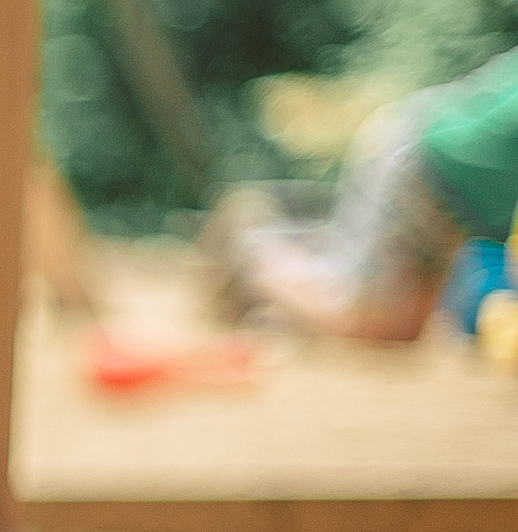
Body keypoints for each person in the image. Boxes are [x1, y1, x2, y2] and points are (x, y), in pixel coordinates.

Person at [207, 45, 518, 341]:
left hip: (444, 181)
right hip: (419, 162)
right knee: (364, 321)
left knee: (399, 331)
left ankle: (291, 265)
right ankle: (254, 255)